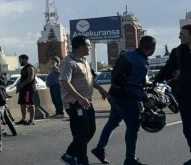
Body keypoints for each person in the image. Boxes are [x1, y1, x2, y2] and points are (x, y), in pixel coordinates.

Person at [91, 36, 157, 165]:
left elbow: (119, 75)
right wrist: (145, 99)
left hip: (114, 94)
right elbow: (131, 86)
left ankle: (100, 149)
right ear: (152, 48)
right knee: (133, 126)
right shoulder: (141, 63)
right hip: (125, 97)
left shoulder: (127, 54)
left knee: (112, 122)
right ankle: (130, 159)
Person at [59, 35, 108, 165]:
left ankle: (69, 154)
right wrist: (80, 98)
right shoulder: (68, 61)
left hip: (87, 101)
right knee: (80, 133)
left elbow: (90, 79)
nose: (90, 47)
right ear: (81, 47)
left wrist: (100, 89)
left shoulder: (84, 60)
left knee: (90, 130)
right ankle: (82, 161)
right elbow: (65, 82)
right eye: (88, 45)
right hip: (75, 103)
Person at [153, 24, 191, 165]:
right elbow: (169, 68)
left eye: (183, 33)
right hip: (186, 95)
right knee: (189, 128)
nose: (180, 36)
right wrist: (156, 80)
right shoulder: (178, 52)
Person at [16, 54, 37, 125]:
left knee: (30, 104)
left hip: (29, 89)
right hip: (23, 89)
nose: (19, 62)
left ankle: (32, 120)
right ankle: (23, 119)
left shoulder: (30, 67)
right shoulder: (24, 68)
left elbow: (30, 77)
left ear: (24, 59)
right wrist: (19, 85)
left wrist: (22, 84)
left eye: (20, 60)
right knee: (22, 104)